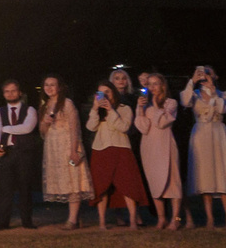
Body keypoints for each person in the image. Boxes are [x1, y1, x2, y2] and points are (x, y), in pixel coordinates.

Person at [83, 77, 151, 230]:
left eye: (107, 92)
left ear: (113, 92)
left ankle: (133, 220)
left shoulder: (124, 108)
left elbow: (124, 127)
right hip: (101, 150)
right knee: (102, 186)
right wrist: (95, 109)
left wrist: (111, 110)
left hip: (121, 149)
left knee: (128, 184)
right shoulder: (97, 111)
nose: (104, 96)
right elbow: (90, 127)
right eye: (101, 93)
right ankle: (102, 222)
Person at [183, 68, 226, 226]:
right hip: (201, 133)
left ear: (215, 76)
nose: (205, 75)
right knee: (205, 174)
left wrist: (213, 92)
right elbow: (185, 102)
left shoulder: (223, 94)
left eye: (208, 72)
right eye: (202, 73)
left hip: (218, 132)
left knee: (222, 171)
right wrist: (192, 81)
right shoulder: (194, 94)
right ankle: (210, 218)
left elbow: (222, 109)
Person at [38, 76, 92, 228]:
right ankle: (74, 217)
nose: (49, 88)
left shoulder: (67, 103)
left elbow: (75, 128)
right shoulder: (44, 105)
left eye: (52, 85)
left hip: (68, 145)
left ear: (59, 87)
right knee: (62, 181)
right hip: (53, 148)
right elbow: (42, 132)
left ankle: (72, 219)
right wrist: (45, 122)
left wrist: (74, 150)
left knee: (72, 180)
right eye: (46, 85)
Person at [0, 80, 40, 230]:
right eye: (7, 91)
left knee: (25, 188)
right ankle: (3, 223)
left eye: (13, 91)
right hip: (6, 152)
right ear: (3, 94)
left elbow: (27, 128)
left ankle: (27, 222)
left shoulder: (30, 110)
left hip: (24, 152)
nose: (10, 94)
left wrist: (5, 128)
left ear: (19, 92)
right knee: (5, 189)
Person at [136, 74, 185, 230]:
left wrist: (157, 106)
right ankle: (161, 218)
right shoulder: (145, 105)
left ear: (163, 85)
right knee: (154, 181)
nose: (152, 87)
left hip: (166, 144)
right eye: (150, 84)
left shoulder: (170, 103)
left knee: (173, 182)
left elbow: (162, 122)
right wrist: (140, 109)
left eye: (156, 84)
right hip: (149, 146)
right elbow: (143, 127)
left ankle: (176, 219)